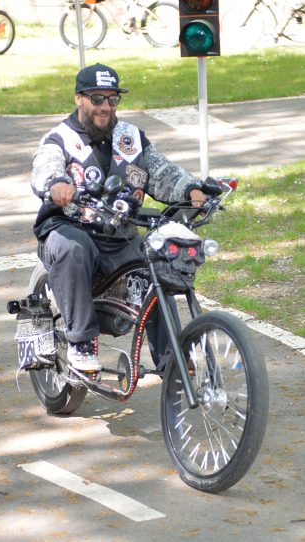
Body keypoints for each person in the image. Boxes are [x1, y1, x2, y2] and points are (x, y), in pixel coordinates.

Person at [30, 63, 206, 373]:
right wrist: (56, 184)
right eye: (97, 98)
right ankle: (81, 344)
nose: (105, 107)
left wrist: (191, 189)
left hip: (120, 234)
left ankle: (172, 362)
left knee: (159, 258)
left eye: (112, 99)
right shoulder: (60, 138)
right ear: (78, 98)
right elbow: (46, 167)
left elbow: (162, 172)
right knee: (74, 247)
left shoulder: (131, 137)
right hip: (70, 229)